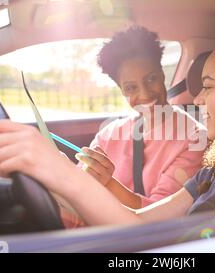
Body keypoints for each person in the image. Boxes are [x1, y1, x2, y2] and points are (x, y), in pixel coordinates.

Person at [0, 34, 215, 226]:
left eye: (209, 86)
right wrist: (61, 175)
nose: (196, 97)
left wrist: (58, 171)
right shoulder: (214, 172)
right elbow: (140, 224)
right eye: (130, 87)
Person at [74, 26, 207, 213]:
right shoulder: (109, 134)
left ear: (162, 75)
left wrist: (108, 184)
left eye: (151, 79)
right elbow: (78, 192)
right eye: (131, 88)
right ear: (121, 90)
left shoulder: (196, 138)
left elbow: (160, 215)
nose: (144, 95)